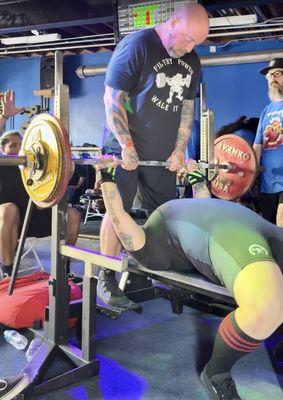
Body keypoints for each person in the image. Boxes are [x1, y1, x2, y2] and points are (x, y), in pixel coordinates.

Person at [95, 157, 283, 400]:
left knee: (270, 307)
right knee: (266, 308)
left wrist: (107, 176)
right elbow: (117, 216)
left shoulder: (153, 242)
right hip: (235, 227)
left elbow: (118, 216)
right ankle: (217, 372)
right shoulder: (150, 250)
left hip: (236, 221)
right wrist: (107, 178)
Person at [99, 2, 210, 307]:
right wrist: (126, 144)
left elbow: (187, 111)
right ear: (172, 22)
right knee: (117, 209)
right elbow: (112, 99)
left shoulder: (192, 61)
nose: (190, 48)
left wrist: (179, 149)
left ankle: (164, 275)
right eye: (188, 39)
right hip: (122, 148)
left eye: (196, 43)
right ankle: (106, 277)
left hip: (162, 155)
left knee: (164, 215)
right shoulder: (137, 46)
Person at [0, 130, 81, 278]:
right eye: (13, 146)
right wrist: (4, 118)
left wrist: (47, 199)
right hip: (12, 222)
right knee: (8, 209)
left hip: (38, 217)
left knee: (73, 215)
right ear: (3, 149)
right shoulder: (2, 165)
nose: (18, 149)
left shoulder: (35, 164)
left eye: (21, 145)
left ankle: (65, 268)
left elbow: (61, 183)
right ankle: (7, 269)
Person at [253, 58, 283, 226]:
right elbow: (257, 146)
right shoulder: (267, 110)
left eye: (277, 74)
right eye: (270, 76)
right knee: (270, 232)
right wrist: (251, 174)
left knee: (281, 227)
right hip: (267, 184)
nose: (272, 78)